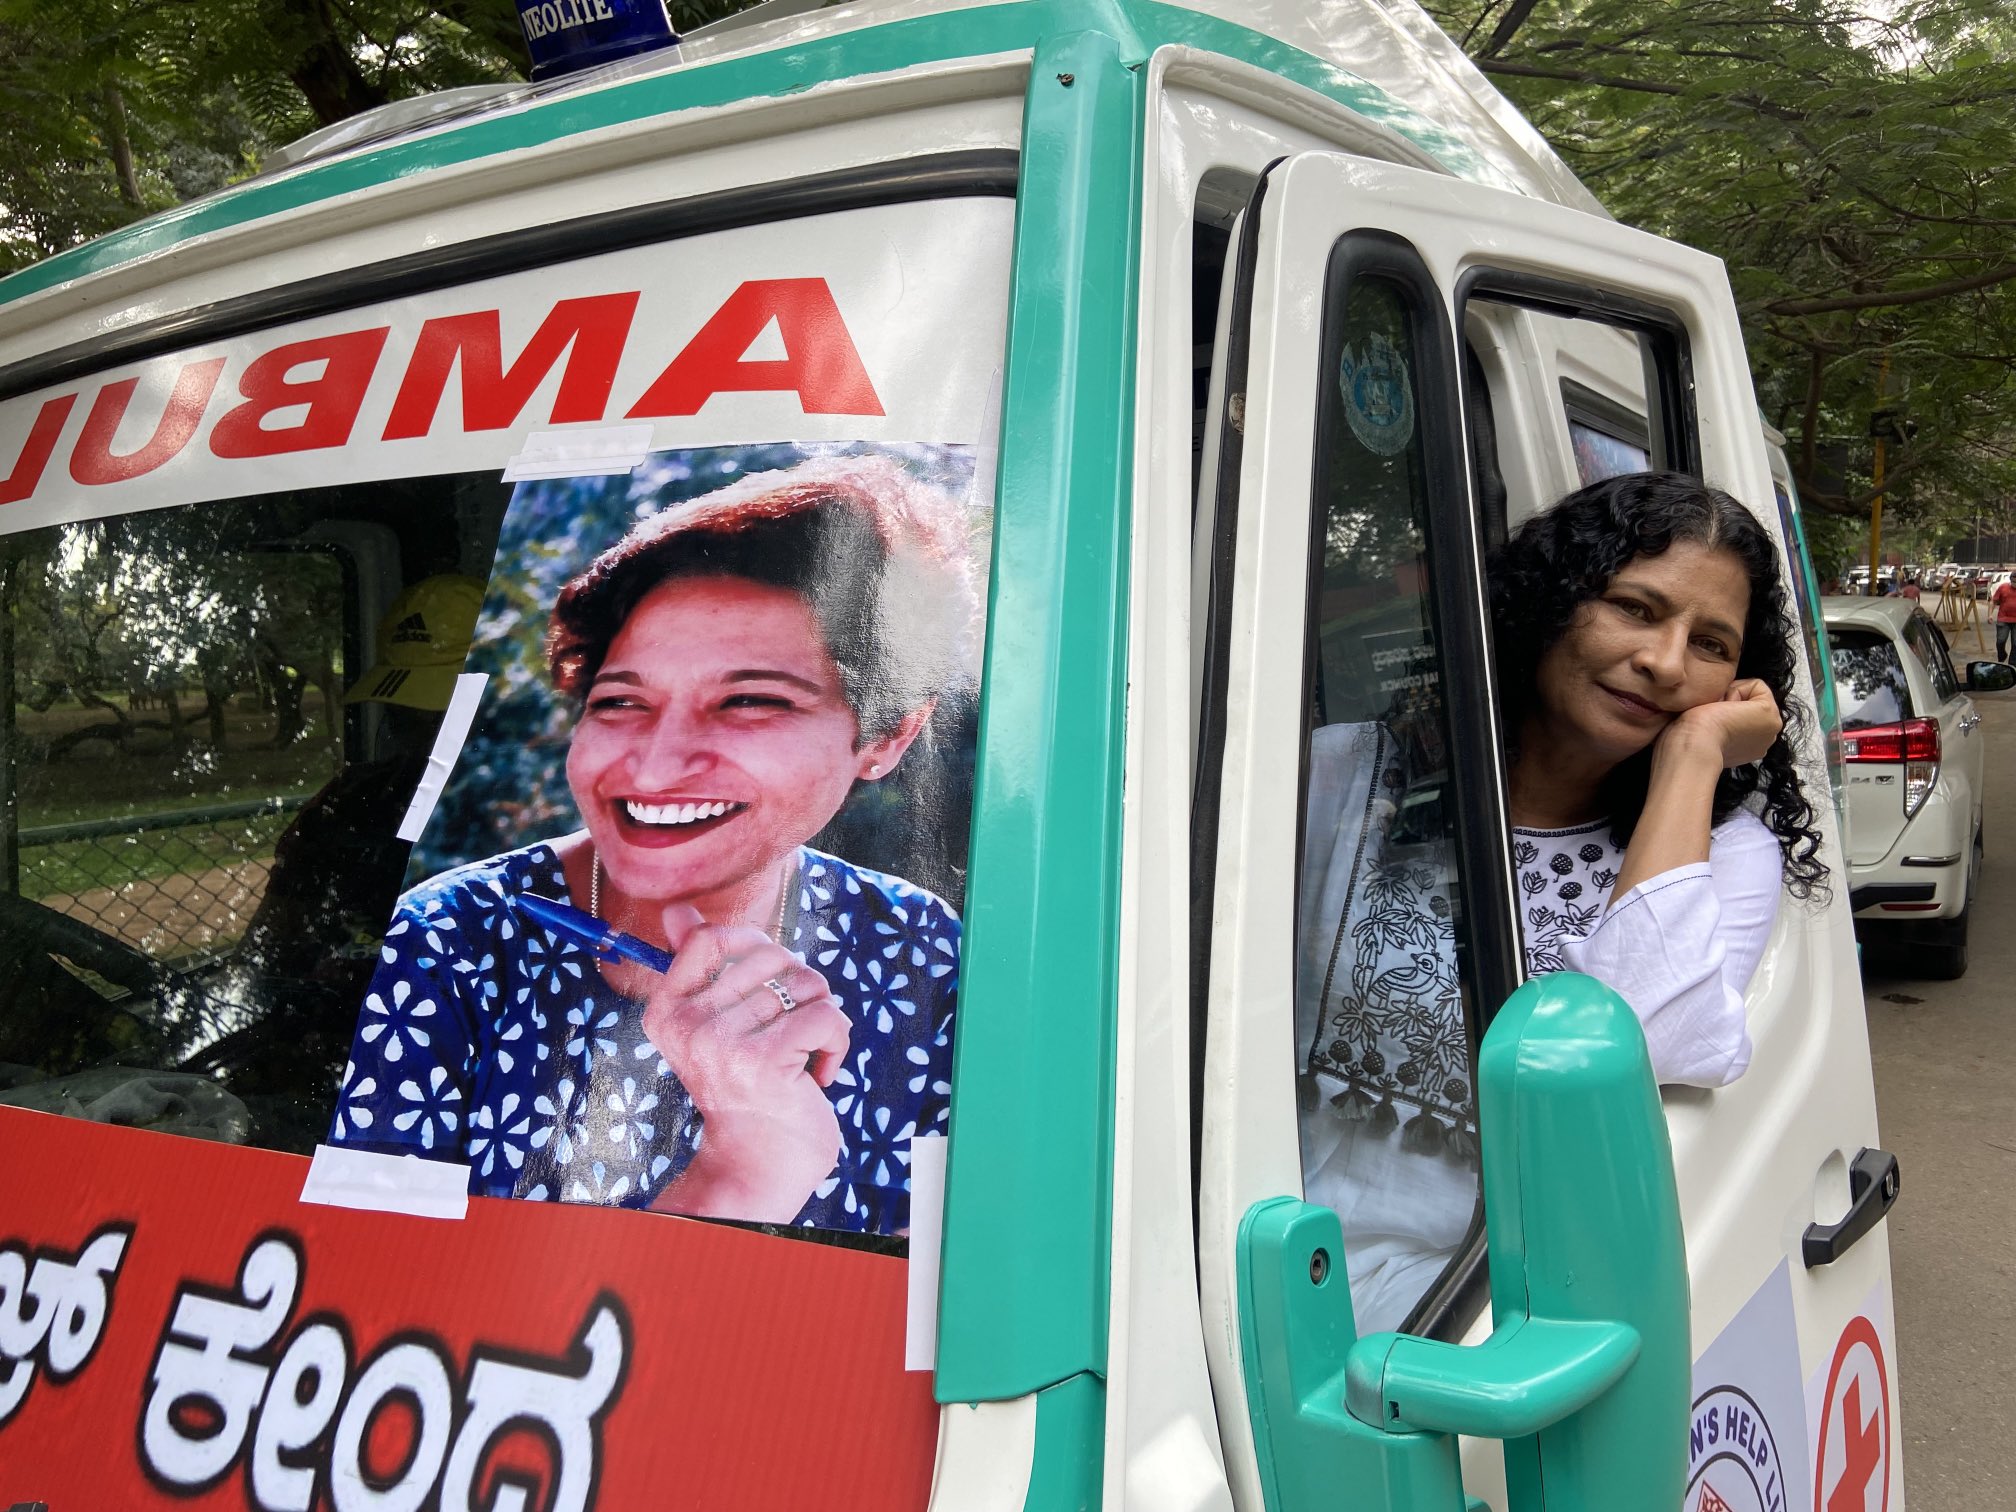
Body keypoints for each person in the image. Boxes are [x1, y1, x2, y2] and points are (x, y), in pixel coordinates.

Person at [329, 457, 980, 1235]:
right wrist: (742, 1169)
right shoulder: (447, 944)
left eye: (749, 701)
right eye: (621, 701)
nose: (656, 765)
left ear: (887, 736)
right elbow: (375, 1297)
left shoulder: (917, 948)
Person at [1297, 471, 1827, 1330]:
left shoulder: (1724, 855)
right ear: (1549, 602)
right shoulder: (1350, 770)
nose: (1662, 662)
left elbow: (1645, 1041)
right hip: (1255, 1259)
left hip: (1481, 1318)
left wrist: (1692, 757)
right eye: (1636, 608)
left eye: (1711, 645)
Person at [1993, 572, 2016, 663]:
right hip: (2003, 619)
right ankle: (2002, 655)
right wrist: (1990, 614)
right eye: (2014, 582)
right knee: (2000, 641)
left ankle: (2012, 663)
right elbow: (1994, 601)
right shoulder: (2003, 587)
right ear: (2010, 580)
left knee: (2015, 644)